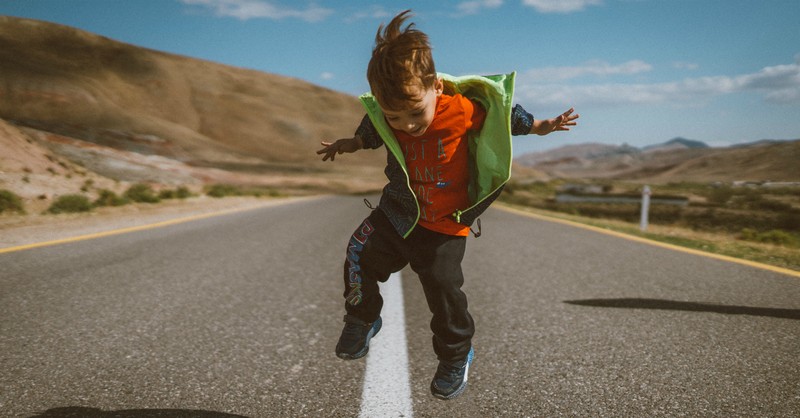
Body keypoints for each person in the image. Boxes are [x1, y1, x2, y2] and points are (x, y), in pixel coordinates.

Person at [317, 9, 578, 400]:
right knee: (358, 253)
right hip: (397, 212)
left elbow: (503, 115)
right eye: (394, 117)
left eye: (414, 113)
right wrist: (350, 143)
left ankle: (456, 355)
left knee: (443, 292)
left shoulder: (462, 108)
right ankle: (361, 317)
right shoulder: (387, 117)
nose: (405, 125)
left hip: (443, 224)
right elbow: (371, 130)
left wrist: (541, 126)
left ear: (436, 86)